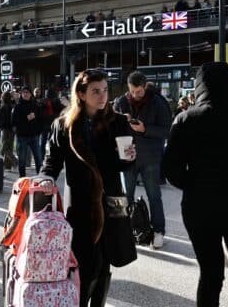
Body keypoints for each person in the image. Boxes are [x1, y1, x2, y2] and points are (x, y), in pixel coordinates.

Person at [162, 62, 228, 306]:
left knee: (210, 275)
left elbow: (171, 170)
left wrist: (197, 184)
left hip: (200, 207)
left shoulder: (186, 119)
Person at [42, 69, 136, 307]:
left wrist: (130, 158)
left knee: (106, 261)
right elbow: (51, 161)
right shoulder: (64, 125)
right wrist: (45, 179)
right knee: (83, 262)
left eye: (105, 90)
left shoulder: (118, 122)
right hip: (81, 203)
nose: (102, 96)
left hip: (110, 201)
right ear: (81, 94)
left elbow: (125, 164)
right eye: (95, 91)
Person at [113, 71, 171, 248]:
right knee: (125, 196)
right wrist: (121, 123)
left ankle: (158, 231)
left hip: (150, 158)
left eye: (139, 91)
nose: (135, 95)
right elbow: (111, 127)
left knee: (154, 196)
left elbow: (166, 130)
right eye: (132, 91)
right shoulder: (121, 102)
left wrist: (145, 129)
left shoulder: (158, 103)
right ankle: (125, 230)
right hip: (127, 156)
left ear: (145, 86)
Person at [11, 86, 43, 177]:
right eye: (23, 92)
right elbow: (14, 122)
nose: (25, 94)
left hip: (34, 136)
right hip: (22, 137)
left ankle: (40, 178)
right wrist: (26, 119)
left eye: (27, 92)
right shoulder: (18, 106)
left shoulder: (35, 105)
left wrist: (38, 131)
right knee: (22, 160)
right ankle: (22, 178)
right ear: (21, 94)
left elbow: (41, 119)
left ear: (30, 94)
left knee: (38, 158)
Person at [40, 88, 63, 160]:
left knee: (43, 142)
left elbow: (40, 112)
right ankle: (51, 156)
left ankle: (42, 157)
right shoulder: (56, 101)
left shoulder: (43, 101)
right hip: (53, 123)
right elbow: (60, 111)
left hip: (45, 124)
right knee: (52, 141)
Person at [0, 90, 18, 170]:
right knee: (9, 147)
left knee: (3, 149)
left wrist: (0, 126)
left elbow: (2, 120)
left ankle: (15, 161)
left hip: (6, 129)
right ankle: (7, 165)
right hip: (12, 129)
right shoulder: (13, 106)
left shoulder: (3, 107)